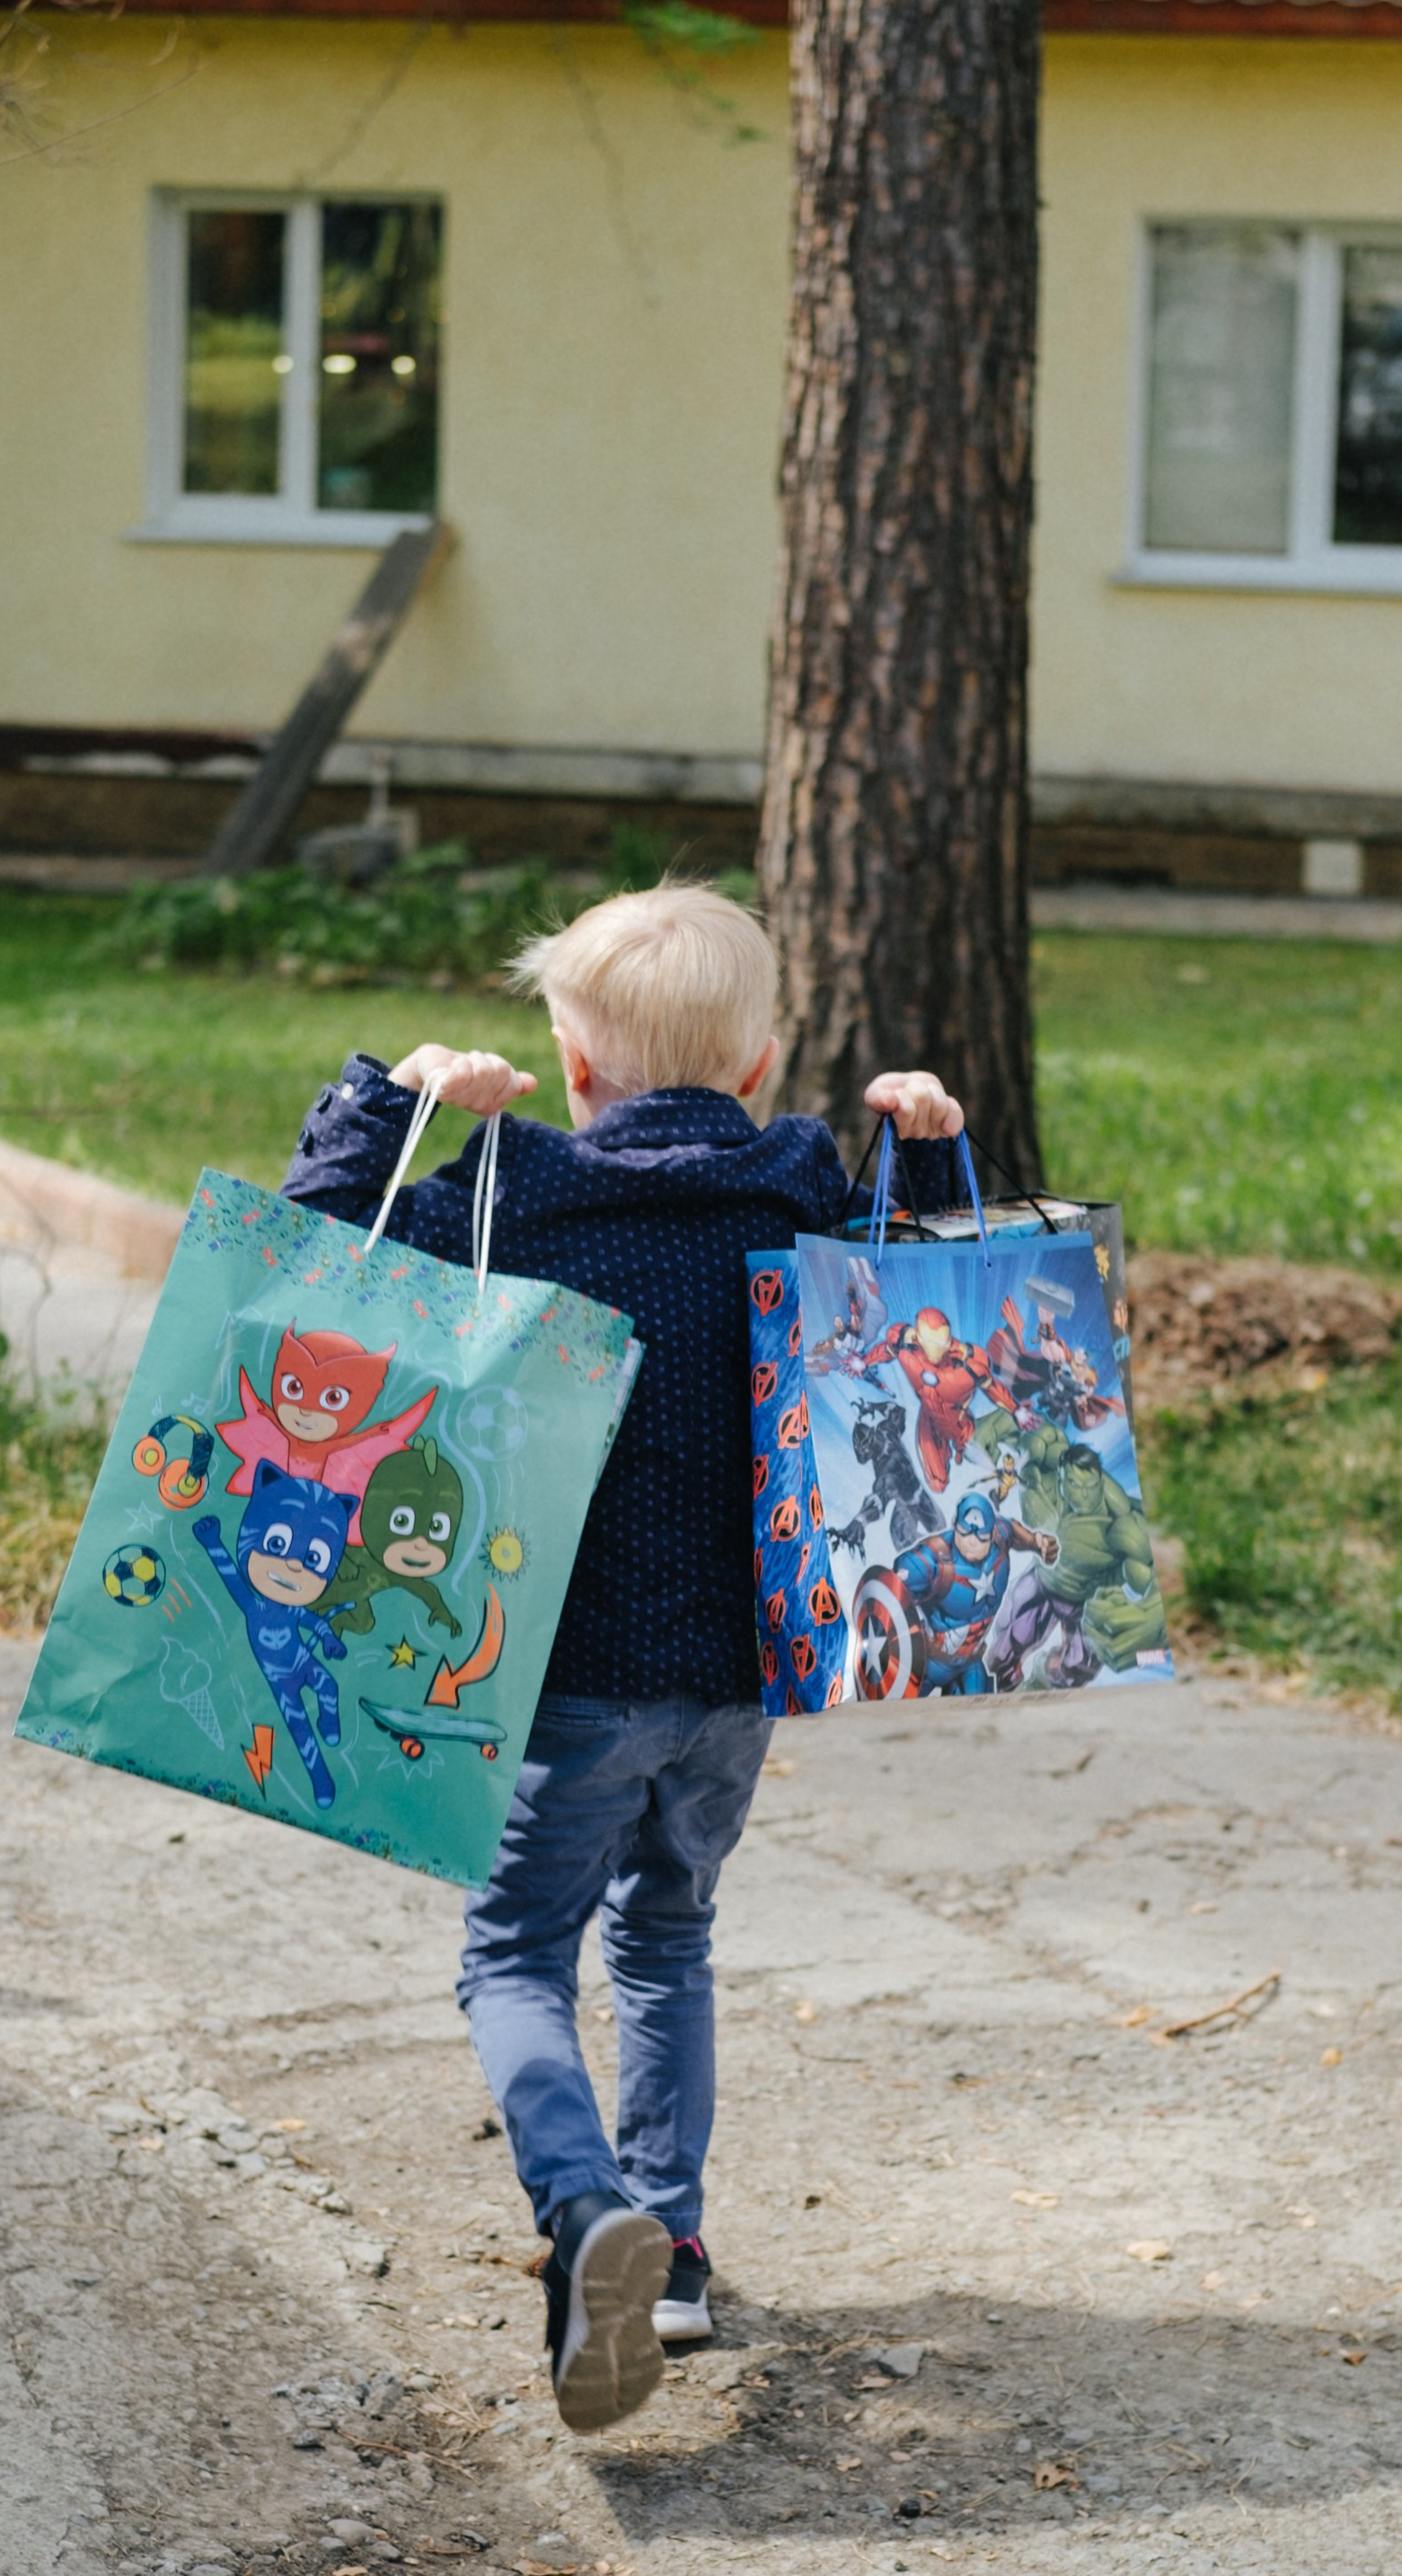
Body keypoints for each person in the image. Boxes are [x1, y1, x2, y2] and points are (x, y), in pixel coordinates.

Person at [282, 883, 961, 2436]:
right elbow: (917, 1302)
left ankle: (587, 2208)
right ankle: (673, 2255)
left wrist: (391, 1107)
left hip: (571, 1676)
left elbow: (308, 1259)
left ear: (573, 1069)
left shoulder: (513, 1195)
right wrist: (919, 1142)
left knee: (516, 1955)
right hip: (738, 1678)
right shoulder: (801, 1189)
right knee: (667, 1935)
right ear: (761, 1065)